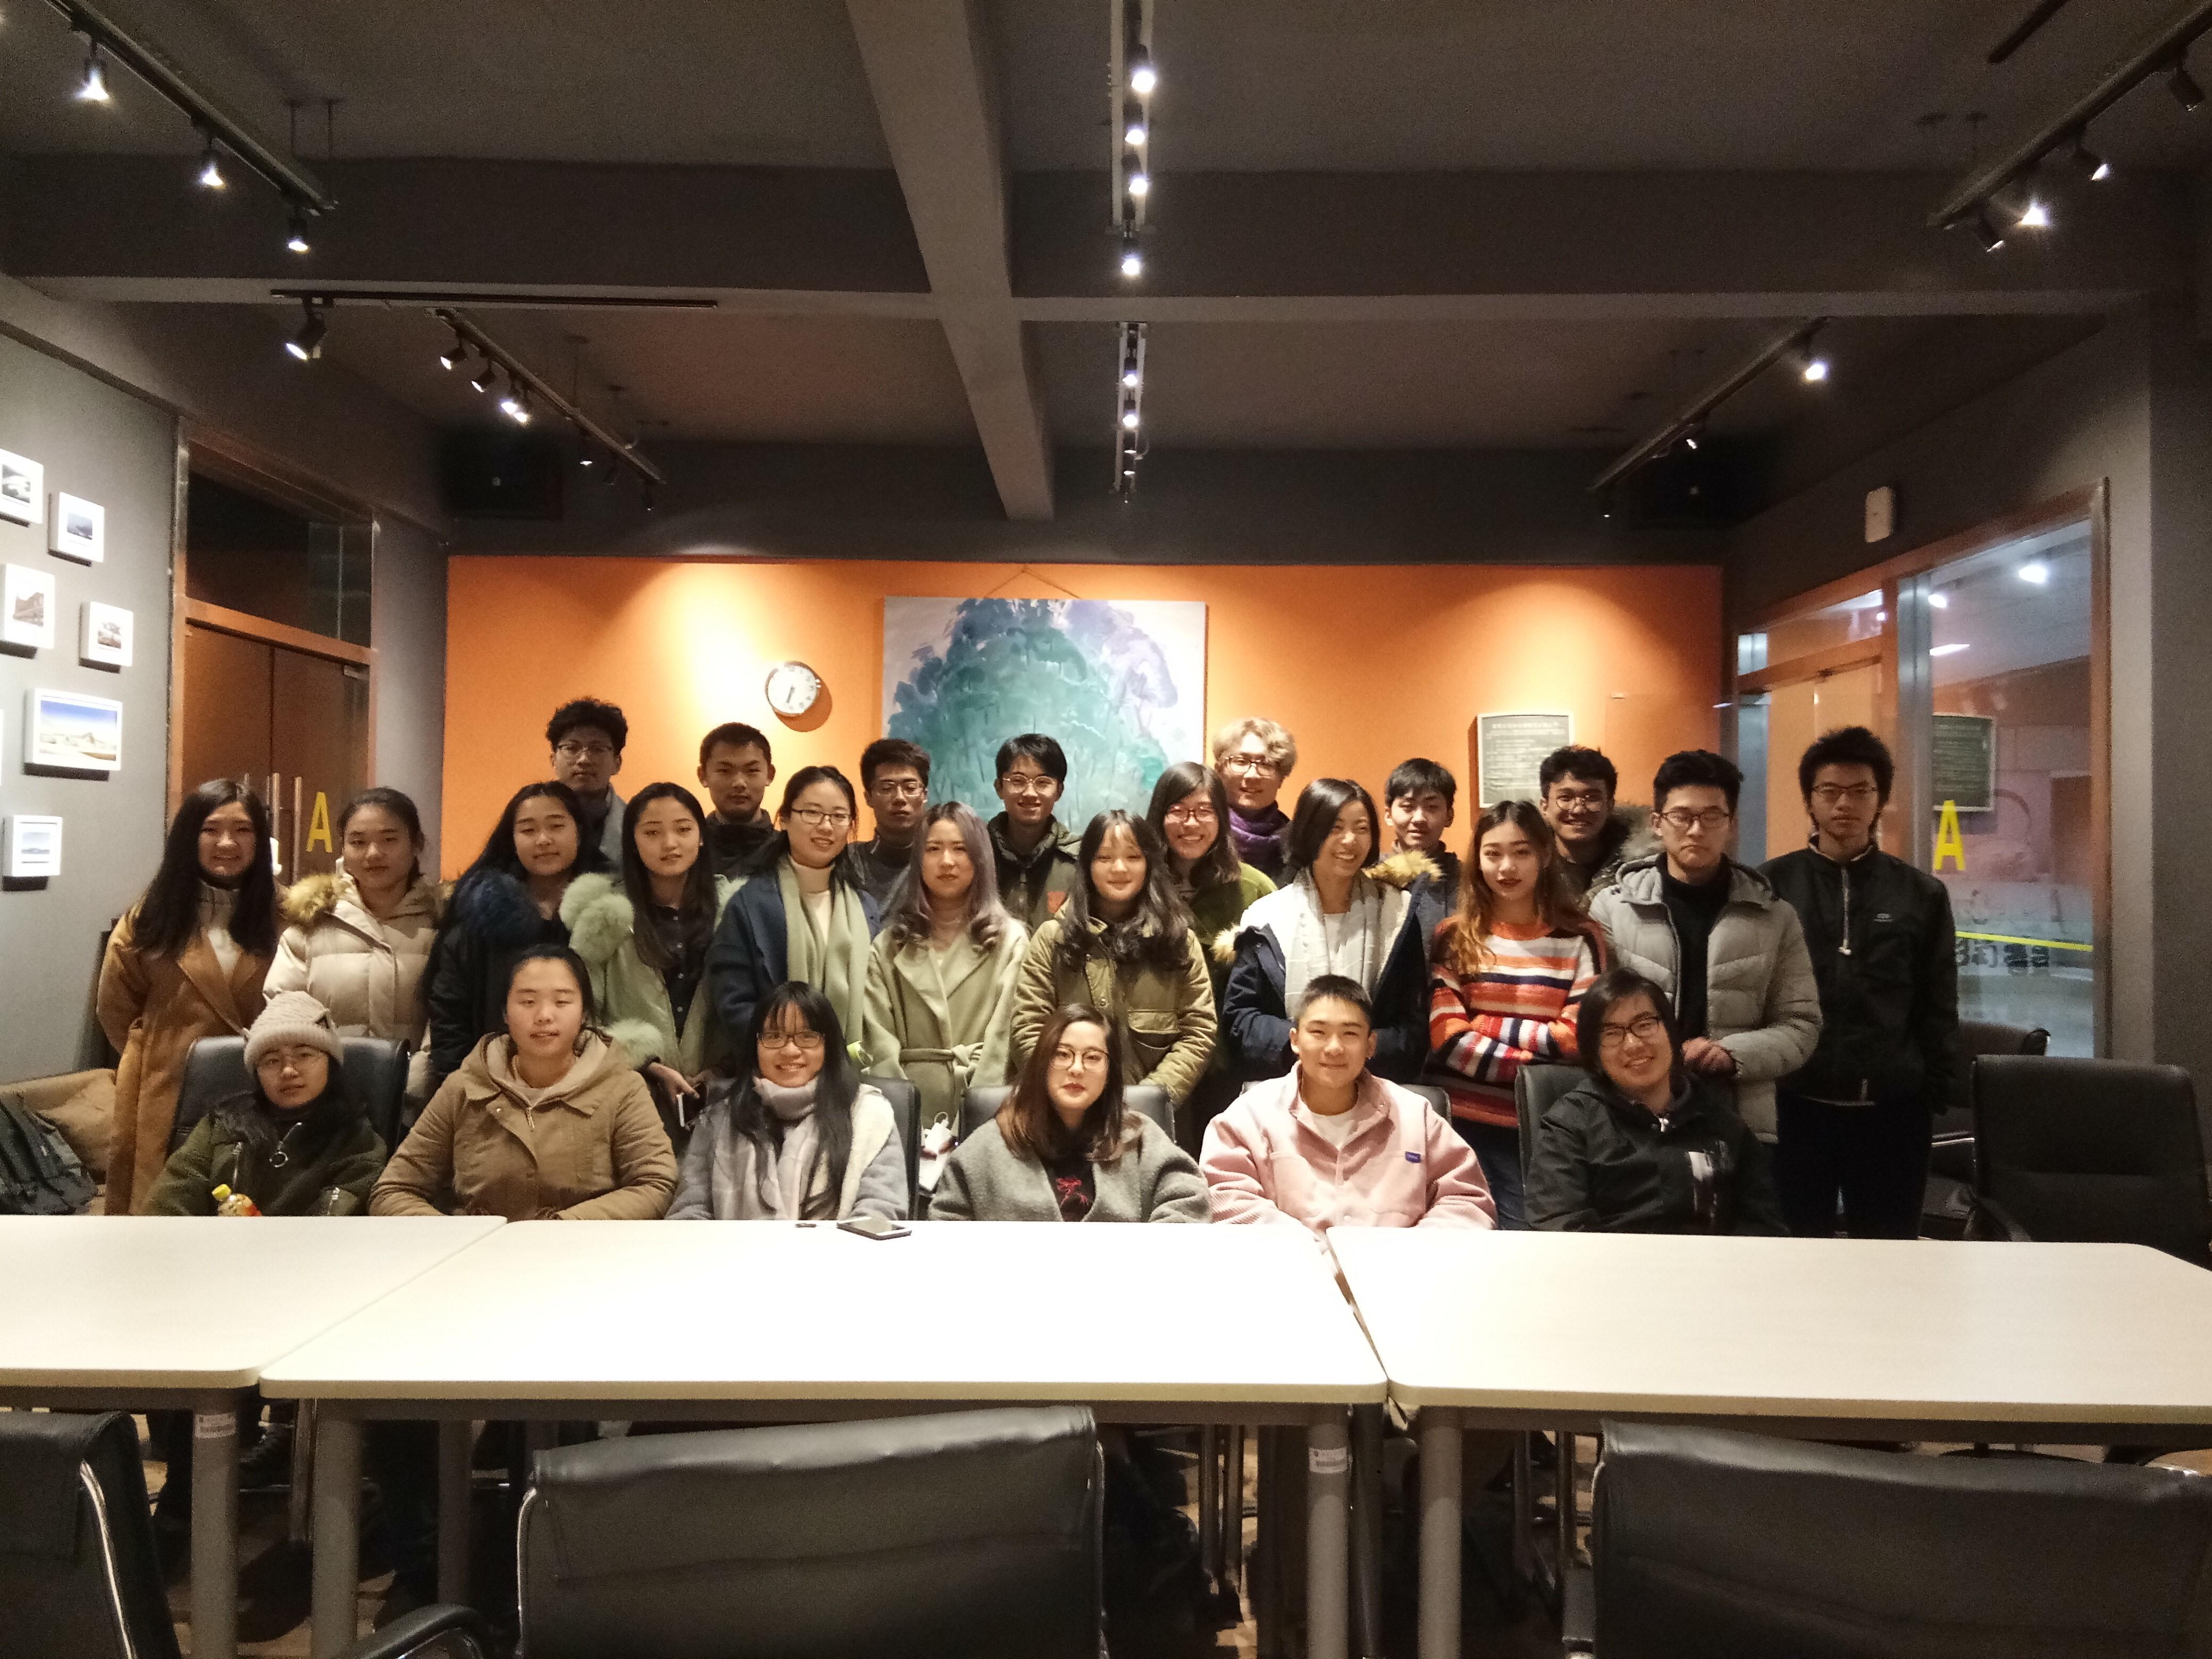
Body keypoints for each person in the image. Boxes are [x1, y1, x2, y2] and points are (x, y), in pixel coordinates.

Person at [1762, 726, 1959, 1239]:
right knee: (1792, 1254)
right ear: (1809, 799)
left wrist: (1934, 1090)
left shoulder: (1920, 894)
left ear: (1881, 799)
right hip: (1794, 1107)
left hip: (1893, 1112)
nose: (1844, 804)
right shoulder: (1771, 886)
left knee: (1889, 1258)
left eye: (1860, 791)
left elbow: (1938, 1000)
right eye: (1829, 791)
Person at [1588, 750, 1821, 1142]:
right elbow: (1594, 1020)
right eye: (1682, 816)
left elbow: (1801, 1025)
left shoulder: (1774, 915)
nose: (1696, 830)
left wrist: (1731, 1053)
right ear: (1657, 823)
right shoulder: (1613, 908)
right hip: (1635, 1118)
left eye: (1712, 816)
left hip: (1740, 1120)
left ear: (1731, 825)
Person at [373, 945, 676, 1220]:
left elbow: (655, 1183)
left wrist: (564, 1226)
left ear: (584, 1013)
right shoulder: (465, 1086)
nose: (544, 1016)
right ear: (505, 1013)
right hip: (482, 1256)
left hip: (582, 1253)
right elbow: (393, 1190)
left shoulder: (621, 1086)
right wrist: (457, 1237)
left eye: (562, 1002)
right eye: (528, 1002)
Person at [96, 780, 279, 1215]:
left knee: (253, 1208)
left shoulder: (287, 914)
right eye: (211, 829)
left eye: (243, 830)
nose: (227, 843)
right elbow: (115, 1008)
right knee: (165, 1210)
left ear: (260, 840)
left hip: (265, 1085)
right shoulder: (150, 917)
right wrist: (159, 1054)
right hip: (167, 1089)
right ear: (188, 837)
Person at [1425, 799, 1601, 1229]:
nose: (1507, 867)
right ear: (1478, 859)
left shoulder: (1580, 936)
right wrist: (1537, 1057)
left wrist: (1485, 1025)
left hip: (1549, 1124)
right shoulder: (1453, 936)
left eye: (1522, 852)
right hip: (1460, 1122)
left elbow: (1577, 1038)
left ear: (1545, 855)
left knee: (1533, 1242)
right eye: (1493, 853)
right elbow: (1448, 1040)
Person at [1202, 976, 1495, 1232]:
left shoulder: (1416, 1116)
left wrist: (1407, 1253)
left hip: (1398, 1273)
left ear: (1371, 1045)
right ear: (1295, 1040)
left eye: (1350, 1034)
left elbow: (1467, 1201)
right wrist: (1308, 1252)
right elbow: (1225, 1198)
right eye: (1318, 1032)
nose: (1334, 1048)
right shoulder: (1249, 1116)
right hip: (1292, 1271)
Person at [1524, 968, 1787, 1234]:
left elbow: (1763, 1228)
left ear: (1670, 1033)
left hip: (1711, 1259)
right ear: (1594, 1054)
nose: (1633, 1044)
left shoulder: (1720, 1121)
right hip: (1609, 1259)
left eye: (1645, 1025)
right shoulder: (1570, 1125)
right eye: (1612, 1033)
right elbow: (1559, 1225)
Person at [1220, 777, 1439, 1085]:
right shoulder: (1267, 918)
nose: (1350, 840)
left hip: (1375, 1087)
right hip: (1286, 1088)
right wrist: (1308, 1046)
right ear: (1310, 832)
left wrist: (1358, 1049)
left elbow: (1414, 1024)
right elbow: (1241, 1019)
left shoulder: (1396, 913)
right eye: (1335, 828)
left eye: (1361, 828)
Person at [1009, 811, 1218, 1127]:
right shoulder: (1053, 940)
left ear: (1149, 864)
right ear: (1087, 865)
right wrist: (1076, 1097)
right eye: (1105, 858)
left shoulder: (1179, 942)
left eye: (1133, 857)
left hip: (1155, 1122)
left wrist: (1146, 1101)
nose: (1119, 868)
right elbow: (1028, 1028)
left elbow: (1199, 1032)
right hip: (1064, 1120)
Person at [562, 782, 736, 1151]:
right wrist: (648, 1065)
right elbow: (580, 1015)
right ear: (633, 841)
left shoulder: (734, 911)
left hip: (725, 1099)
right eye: (653, 833)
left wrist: (721, 1070)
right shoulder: (604, 916)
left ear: (701, 837)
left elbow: (755, 1004)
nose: (670, 843)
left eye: (683, 829)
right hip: (629, 1098)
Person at [931, 1003, 1208, 1222]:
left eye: (1093, 1058)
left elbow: (1189, 1200)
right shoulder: (989, 1145)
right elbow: (946, 1225)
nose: (1076, 1069)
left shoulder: (1140, 1138)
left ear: (1110, 1072)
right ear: (1042, 1063)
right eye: (1062, 1054)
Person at [864, 802, 1027, 1167]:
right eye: (933, 849)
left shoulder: (1010, 941)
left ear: (980, 858)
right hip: (906, 1115)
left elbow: (1004, 1042)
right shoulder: (889, 945)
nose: (947, 861)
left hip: (987, 1113)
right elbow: (875, 1040)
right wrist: (905, 1119)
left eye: (960, 849)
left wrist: (974, 1117)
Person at [706, 765, 898, 1069]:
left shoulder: (864, 907)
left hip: (853, 1070)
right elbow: (733, 1001)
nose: (826, 826)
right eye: (812, 813)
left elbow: (878, 1001)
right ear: (785, 819)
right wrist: (791, 1053)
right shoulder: (749, 904)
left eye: (839, 816)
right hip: (776, 1071)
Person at [668, 982, 906, 1221]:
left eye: (807, 1037)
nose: (790, 1050)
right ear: (755, 1047)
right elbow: (690, 1212)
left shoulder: (869, 1115)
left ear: (829, 1046)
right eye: (773, 1037)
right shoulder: (718, 1120)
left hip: (842, 1246)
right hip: (734, 1247)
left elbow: (880, 1211)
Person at [424, 781, 605, 1092]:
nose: (543, 840)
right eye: (528, 830)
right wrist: (466, 1088)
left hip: (593, 1087)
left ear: (580, 831)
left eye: (556, 826)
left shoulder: (610, 911)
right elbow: (449, 1014)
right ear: (512, 838)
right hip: (492, 1087)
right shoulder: (481, 913)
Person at [265, 786, 442, 1104]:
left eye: (389, 840)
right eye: (358, 842)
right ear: (343, 848)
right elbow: (283, 1011)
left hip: (423, 1101)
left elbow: (452, 1017)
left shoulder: (443, 923)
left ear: (416, 843)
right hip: (325, 1101)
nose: (373, 854)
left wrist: (417, 1081)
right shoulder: (312, 922)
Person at [147, 991, 385, 1218]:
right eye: (271, 1061)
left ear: (330, 1063)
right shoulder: (223, 1124)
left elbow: (335, 1225)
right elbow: (168, 1205)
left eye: (304, 1055)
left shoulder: (356, 1137)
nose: (288, 1071)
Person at [1145, 761, 1273, 1151]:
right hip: (1148, 1059)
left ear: (1222, 817)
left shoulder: (1253, 889)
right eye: (1178, 811)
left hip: (1227, 1066)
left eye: (1204, 811)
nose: (1191, 824)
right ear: (1159, 815)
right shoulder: (1138, 883)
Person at [988, 733, 1082, 929]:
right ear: (999, 788)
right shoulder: (977, 853)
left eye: (1043, 782)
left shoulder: (1079, 860)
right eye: (1018, 781)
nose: (1030, 793)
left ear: (1059, 791)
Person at [1539, 745, 1654, 903]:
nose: (1578, 810)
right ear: (1545, 807)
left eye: (1592, 798)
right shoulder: (1528, 866)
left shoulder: (1640, 869)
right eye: (1566, 798)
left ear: (1610, 805)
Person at [1212, 716, 1297, 881]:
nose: (1252, 775)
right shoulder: (1199, 836)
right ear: (1219, 771)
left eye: (1266, 764)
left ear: (1282, 778)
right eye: (1241, 761)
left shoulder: (1296, 846)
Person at [853, 737, 931, 910]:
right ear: (868, 798)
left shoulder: (941, 863)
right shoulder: (849, 863)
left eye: (910, 788)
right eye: (887, 789)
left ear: (925, 795)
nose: (899, 798)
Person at [697, 722, 779, 879]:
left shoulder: (790, 851)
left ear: (770, 775)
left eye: (752, 770)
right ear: (703, 776)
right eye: (725, 771)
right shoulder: (689, 852)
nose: (739, 783)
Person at [1385, 757, 1461, 910]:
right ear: (1388, 815)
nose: (1419, 818)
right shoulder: (1371, 877)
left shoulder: (1466, 879)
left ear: (1449, 816)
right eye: (1408, 806)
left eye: (1431, 807)